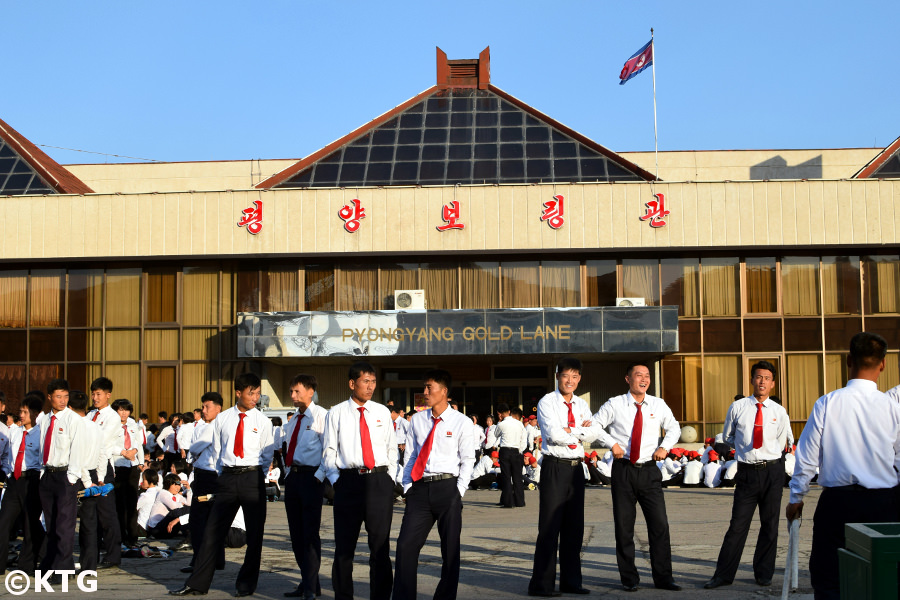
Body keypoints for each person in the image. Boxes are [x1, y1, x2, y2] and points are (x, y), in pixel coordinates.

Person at [786, 332, 900, 600]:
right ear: (882, 364)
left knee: (829, 579)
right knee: (884, 577)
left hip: (838, 503)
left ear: (848, 360)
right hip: (884, 503)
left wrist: (796, 498)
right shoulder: (891, 407)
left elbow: (807, 456)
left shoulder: (827, 402)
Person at [171, 373, 275, 597]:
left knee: (255, 535)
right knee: (212, 532)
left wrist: (256, 474)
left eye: (257, 393)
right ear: (238, 393)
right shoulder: (223, 418)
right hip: (227, 477)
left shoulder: (263, 421)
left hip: (252, 478)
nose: (255, 398)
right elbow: (217, 451)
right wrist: (223, 474)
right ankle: (197, 583)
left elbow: (267, 454)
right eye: (250, 393)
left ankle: (246, 585)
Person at [592, 362, 681, 592]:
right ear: (628, 379)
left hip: (650, 471)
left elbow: (674, 428)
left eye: (647, 376)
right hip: (623, 470)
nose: (644, 379)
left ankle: (664, 578)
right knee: (624, 527)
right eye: (638, 375)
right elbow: (594, 425)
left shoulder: (658, 404)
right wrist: (611, 443)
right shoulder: (615, 404)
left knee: (659, 525)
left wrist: (666, 446)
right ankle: (629, 579)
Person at [705, 360, 793, 589]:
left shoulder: (779, 412)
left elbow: (782, 442)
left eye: (767, 378)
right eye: (758, 377)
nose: (762, 381)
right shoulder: (738, 407)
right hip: (746, 473)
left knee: (770, 525)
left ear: (773, 384)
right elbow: (727, 437)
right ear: (752, 380)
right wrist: (737, 451)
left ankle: (763, 574)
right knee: (737, 525)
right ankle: (723, 575)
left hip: (772, 471)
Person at [392, 369, 475, 600]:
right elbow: (410, 455)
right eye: (425, 387)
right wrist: (407, 486)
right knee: (406, 546)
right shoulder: (417, 420)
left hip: (448, 488)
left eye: (430, 388)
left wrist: (458, 492)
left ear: (444, 392)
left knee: (450, 551)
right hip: (419, 489)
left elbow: (468, 460)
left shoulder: (462, 422)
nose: (425, 392)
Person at [322, 362, 397, 600]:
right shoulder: (336, 413)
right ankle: (343, 595)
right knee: (344, 548)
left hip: (378, 482)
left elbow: (391, 448)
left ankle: (381, 596)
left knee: (380, 547)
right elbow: (329, 451)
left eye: (373, 382)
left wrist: (389, 478)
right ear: (352, 383)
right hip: (349, 482)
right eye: (366, 381)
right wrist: (337, 481)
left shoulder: (382, 412)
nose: (370, 387)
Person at [528, 357, 601, 597]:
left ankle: (572, 582)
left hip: (576, 468)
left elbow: (594, 432)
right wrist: (579, 433)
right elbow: (554, 435)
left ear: (579, 379)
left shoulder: (580, 404)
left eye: (575, 376)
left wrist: (574, 431)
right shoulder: (547, 402)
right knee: (550, 526)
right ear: (557, 376)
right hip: (555, 467)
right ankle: (542, 584)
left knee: (574, 528)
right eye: (565, 376)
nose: (570, 381)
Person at [281, 373, 327, 599]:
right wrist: (288, 475)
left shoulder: (321, 417)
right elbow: (288, 449)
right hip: (293, 479)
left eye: (297, 391)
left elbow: (328, 450)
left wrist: (319, 476)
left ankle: (310, 586)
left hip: (311, 478)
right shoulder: (292, 421)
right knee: (296, 534)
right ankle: (309, 581)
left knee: (310, 534)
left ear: (310, 391)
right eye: (291, 391)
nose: (293, 395)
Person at [39, 379, 85, 577]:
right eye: (58, 396)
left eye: (65, 396)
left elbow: (78, 449)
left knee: (64, 525)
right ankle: (50, 563)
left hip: (65, 476)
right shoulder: (44, 419)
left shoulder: (73, 419)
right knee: (51, 523)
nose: (63, 400)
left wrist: (72, 477)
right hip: (48, 475)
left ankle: (63, 569)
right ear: (49, 397)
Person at [0, 393, 45, 574]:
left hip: (32, 480)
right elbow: (10, 456)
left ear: (34, 413)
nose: (21, 415)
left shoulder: (41, 432)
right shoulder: (14, 431)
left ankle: (27, 565)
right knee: (3, 522)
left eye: (25, 412)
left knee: (30, 524)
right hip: (14, 480)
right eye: (20, 411)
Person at [182, 391, 225, 575]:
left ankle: (200, 560)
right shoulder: (206, 425)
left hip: (208, 476)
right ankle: (216, 559)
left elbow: (195, 446)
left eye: (207, 407)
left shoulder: (213, 426)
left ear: (218, 408)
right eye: (203, 407)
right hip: (208, 476)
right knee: (212, 520)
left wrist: (191, 450)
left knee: (198, 520)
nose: (204, 410)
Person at [87, 377, 126, 568]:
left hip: (103, 469)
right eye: (93, 393)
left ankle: (113, 555)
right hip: (88, 467)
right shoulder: (90, 415)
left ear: (108, 395)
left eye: (98, 394)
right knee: (90, 513)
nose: (95, 397)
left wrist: (101, 477)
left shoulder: (112, 417)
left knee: (107, 513)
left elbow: (101, 443)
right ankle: (92, 554)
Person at [112, 398, 144, 546]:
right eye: (120, 409)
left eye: (126, 410)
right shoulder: (111, 425)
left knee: (132, 503)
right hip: (117, 465)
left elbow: (139, 443)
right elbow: (107, 445)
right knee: (119, 503)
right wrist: (124, 452)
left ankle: (132, 537)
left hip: (132, 466)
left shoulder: (133, 424)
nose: (123, 413)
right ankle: (120, 536)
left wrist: (141, 461)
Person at [495, 404, 526, 509]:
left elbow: (496, 434)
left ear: (499, 414)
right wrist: (520, 450)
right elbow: (523, 439)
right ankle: (520, 501)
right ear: (509, 411)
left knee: (506, 477)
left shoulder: (501, 424)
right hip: (516, 451)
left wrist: (499, 421)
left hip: (505, 451)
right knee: (517, 477)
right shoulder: (519, 424)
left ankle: (508, 502)